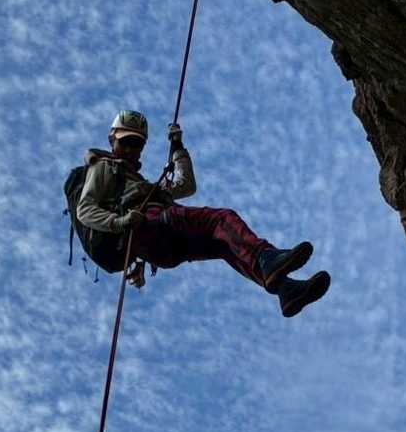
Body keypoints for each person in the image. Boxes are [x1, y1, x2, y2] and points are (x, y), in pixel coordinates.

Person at [73, 110, 331, 317]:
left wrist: (177, 148)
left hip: (163, 247)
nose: (131, 149)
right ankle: (266, 258)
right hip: (152, 226)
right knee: (221, 220)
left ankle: (285, 289)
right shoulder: (105, 167)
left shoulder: (142, 185)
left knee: (224, 245)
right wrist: (120, 222)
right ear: (112, 140)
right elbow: (85, 209)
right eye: (126, 142)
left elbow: (186, 186)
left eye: (137, 143)